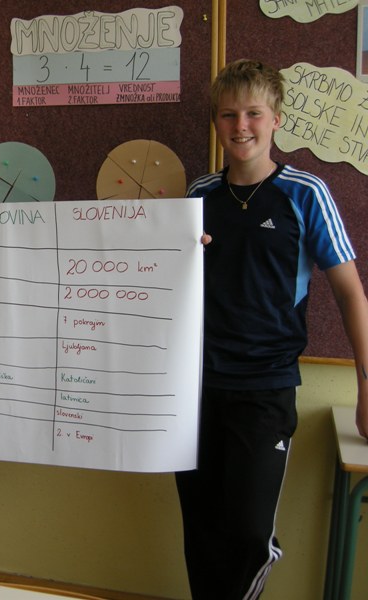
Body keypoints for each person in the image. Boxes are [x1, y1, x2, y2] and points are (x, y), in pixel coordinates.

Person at [176, 58, 368, 600]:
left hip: (265, 389)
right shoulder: (198, 195)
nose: (241, 126)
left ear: (276, 119)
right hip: (194, 389)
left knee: (248, 533)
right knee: (202, 530)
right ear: (216, 122)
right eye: (228, 114)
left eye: (254, 113)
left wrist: (366, 387)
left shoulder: (306, 193)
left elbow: (351, 294)